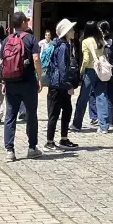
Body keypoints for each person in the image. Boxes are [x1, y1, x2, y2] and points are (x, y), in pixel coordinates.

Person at [1, 12, 43, 162]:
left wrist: (4, 82)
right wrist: (40, 77)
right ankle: (32, 148)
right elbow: (36, 59)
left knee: (10, 116)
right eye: (27, 21)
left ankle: (9, 151)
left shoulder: (6, 40)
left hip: (11, 82)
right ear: (24, 23)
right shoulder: (31, 39)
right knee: (31, 114)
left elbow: (3, 63)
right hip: (28, 82)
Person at [45, 19, 79, 150]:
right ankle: (50, 141)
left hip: (57, 83)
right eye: (71, 29)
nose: (73, 31)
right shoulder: (63, 46)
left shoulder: (59, 44)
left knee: (64, 110)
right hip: (59, 84)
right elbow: (63, 68)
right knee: (56, 113)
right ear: (66, 32)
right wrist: (68, 85)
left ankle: (63, 139)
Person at [71, 21, 110, 134]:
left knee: (83, 98)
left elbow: (86, 59)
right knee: (101, 96)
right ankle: (104, 126)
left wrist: (81, 70)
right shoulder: (101, 40)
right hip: (101, 70)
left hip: (90, 71)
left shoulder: (86, 41)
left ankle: (77, 124)